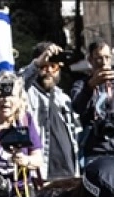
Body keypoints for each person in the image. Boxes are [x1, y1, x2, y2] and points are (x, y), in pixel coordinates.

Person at [71, 41, 114, 170]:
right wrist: (90, 86)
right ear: (90, 60)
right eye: (99, 58)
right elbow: (77, 107)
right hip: (95, 153)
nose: (104, 63)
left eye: (107, 57)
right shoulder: (82, 85)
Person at [21, 42, 80, 181]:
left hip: (69, 173)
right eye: (44, 66)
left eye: (53, 66)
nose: (48, 70)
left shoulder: (63, 98)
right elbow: (15, 85)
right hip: (43, 175)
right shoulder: (26, 94)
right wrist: (37, 63)